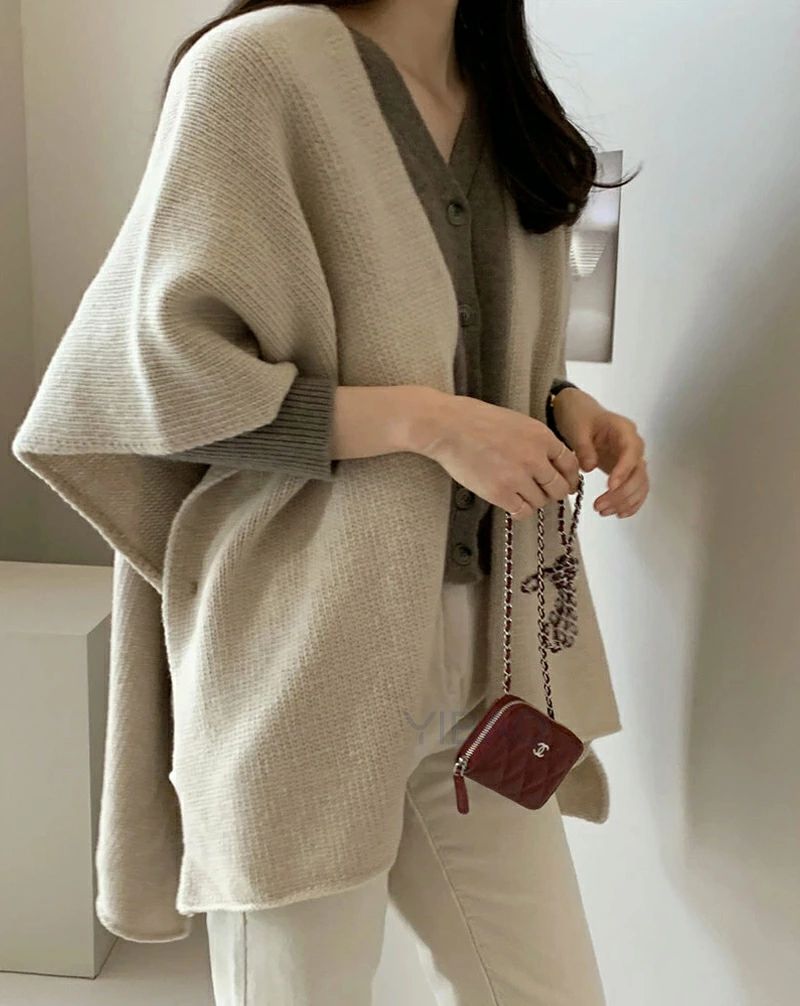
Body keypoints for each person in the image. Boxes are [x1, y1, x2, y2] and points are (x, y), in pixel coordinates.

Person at [12, 1, 649, 1003]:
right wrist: (428, 424)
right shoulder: (256, 67)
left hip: (490, 666)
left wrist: (561, 403)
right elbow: (155, 386)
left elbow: (450, 348)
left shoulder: (506, 106)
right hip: (303, 658)